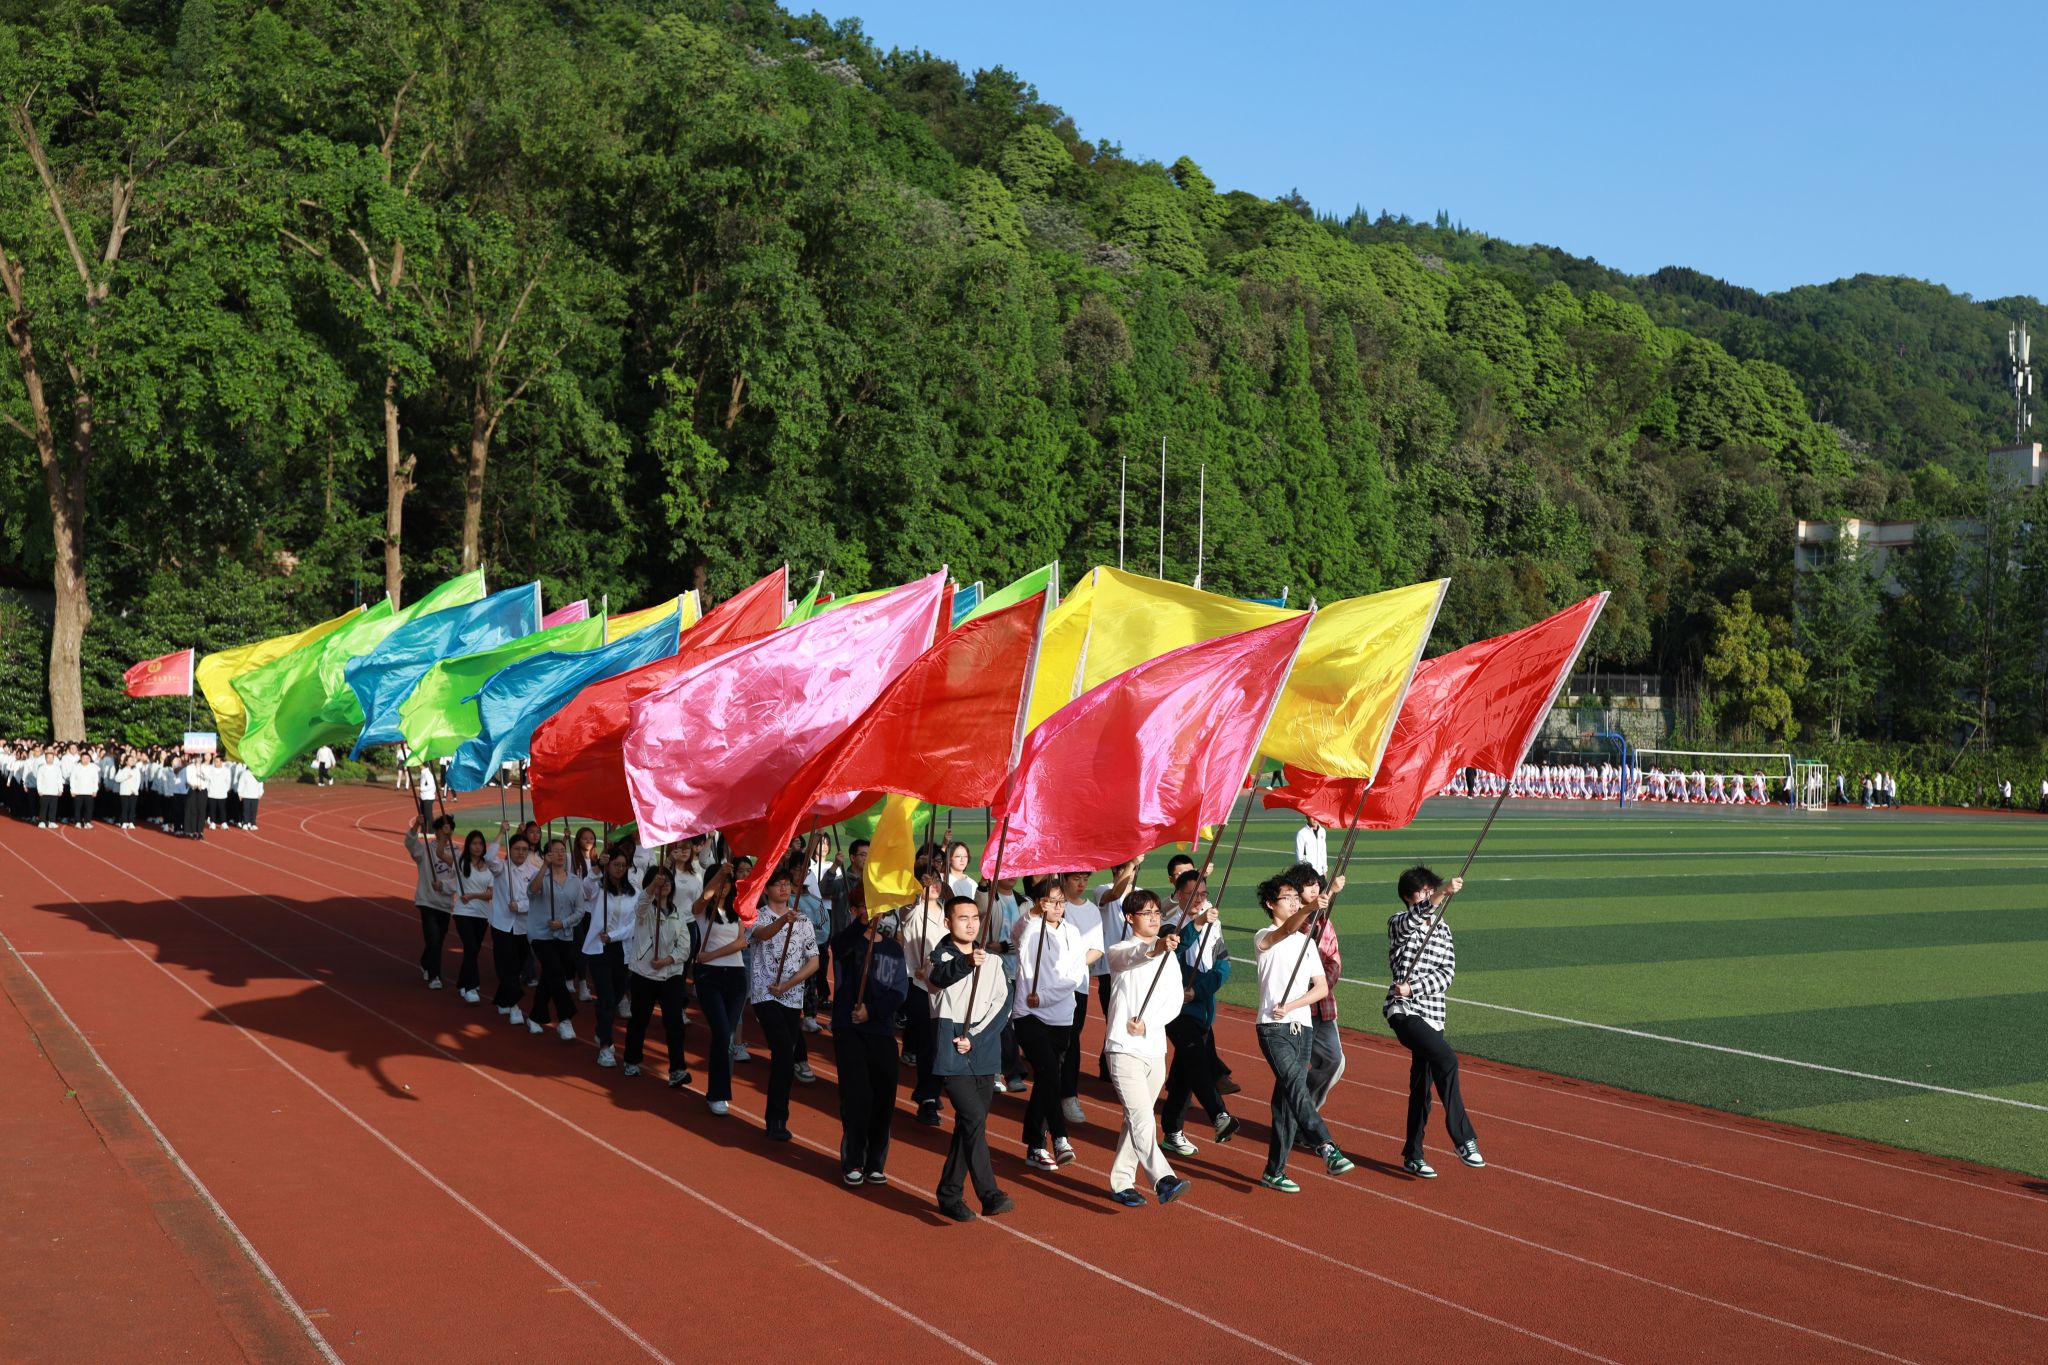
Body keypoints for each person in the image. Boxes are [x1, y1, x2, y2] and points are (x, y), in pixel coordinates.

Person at [1252, 876, 1354, 1193]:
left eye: (1298, 897)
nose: (1295, 901)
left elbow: (1321, 987)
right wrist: (1312, 905)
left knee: (1286, 1100)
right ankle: (1325, 1145)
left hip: (1302, 1028)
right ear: (1271, 904)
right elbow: (1284, 930)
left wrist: (1294, 1003)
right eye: (1288, 897)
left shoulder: (1308, 943)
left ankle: (1274, 1171)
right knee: (1296, 1085)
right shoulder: (1265, 936)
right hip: (1272, 1027)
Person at [1385, 865, 1483, 1178]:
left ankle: (1412, 1154)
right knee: (1447, 1059)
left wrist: (1414, 986)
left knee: (1422, 1090)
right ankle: (1463, 1137)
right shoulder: (1400, 923)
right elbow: (1413, 919)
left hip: (1434, 1016)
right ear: (1407, 897)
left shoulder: (1443, 929)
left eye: (1431, 890)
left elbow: (1446, 974)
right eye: (1423, 891)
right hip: (1404, 1012)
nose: (1428, 895)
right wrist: (1440, 894)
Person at [926, 895, 1014, 1221]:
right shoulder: (939, 956)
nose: (970, 923)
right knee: (974, 1119)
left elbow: (1002, 1005)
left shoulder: (993, 961)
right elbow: (939, 978)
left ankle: (949, 1194)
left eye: (975, 917)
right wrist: (967, 963)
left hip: (982, 1048)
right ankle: (989, 1193)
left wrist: (975, 1039)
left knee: (970, 1124)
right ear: (948, 922)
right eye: (962, 918)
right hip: (949, 1047)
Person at [1102, 889, 1191, 1208]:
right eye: (1146, 913)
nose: (1154, 918)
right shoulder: (1118, 950)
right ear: (1130, 918)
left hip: (1154, 1048)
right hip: (1123, 1048)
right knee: (1142, 1119)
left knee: (1135, 1119)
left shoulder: (1168, 955)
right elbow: (1131, 958)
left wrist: (1149, 1022)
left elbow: (1174, 1000)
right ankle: (1164, 1179)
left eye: (1157, 913)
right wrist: (1156, 948)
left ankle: (1122, 1182)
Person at [1011, 878, 1089, 1172]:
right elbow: (1017, 934)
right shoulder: (1032, 927)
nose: (1058, 907)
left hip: (1059, 1016)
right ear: (1040, 903)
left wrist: (1043, 997)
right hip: (1028, 1015)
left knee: (1047, 1079)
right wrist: (1033, 913)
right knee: (1047, 1072)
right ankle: (1060, 1139)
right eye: (1052, 901)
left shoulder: (1071, 932)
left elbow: (1073, 976)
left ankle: (1034, 1145)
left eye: (1061, 902)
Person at [1158, 878, 1237, 1155]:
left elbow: (1223, 965)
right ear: (1179, 895)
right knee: (1197, 1061)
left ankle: (1171, 1130)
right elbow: (1175, 948)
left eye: (1204, 894)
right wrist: (1198, 924)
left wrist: (1199, 990)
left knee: (1184, 1071)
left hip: (1202, 1007)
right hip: (1175, 1009)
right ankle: (1219, 1115)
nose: (1200, 900)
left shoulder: (1213, 924)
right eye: (1193, 894)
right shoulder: (1169, 923)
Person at [830, 902, 907, 1185]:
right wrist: (862, 923)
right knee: (856, 1096)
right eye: (864, 906)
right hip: (849, 1028)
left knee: (884, 1098)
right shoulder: (847, 942)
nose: (873, 911)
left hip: (881, 1031)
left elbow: (899, 991)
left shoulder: (893, 949)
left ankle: (875, 1162)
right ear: (854, 909)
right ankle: (853, 1160)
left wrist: (872, 1012)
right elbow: (840, 946)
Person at [748, 866, 818, 1141]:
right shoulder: (757, 916)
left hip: (791, 995)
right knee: (784, 1053)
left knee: (784, 1059)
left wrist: (789, 985)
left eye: (788, 884)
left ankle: (777, 1117)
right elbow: (761, 935)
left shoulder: (803, 921)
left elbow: (814, 961)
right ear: (766, 889)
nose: (784, 889)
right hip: (765, 994)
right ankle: (776, 1118)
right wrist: (783, 922)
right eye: (778, 884)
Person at [1282, 861, 1350, 1114]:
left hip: (1322, 1006)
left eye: (1316, 885)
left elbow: (1334, 960)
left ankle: (1304, 1110)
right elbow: (1298, 926)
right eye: (1308, 885)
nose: (1314, 889)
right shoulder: (1292, 920)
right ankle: (1299, 1116)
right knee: (1294, 1068)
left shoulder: (1326, 923)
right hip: (1296, 1009)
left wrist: (1320, 985)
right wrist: (1328, 893)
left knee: (1334, 1061)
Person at [623, 866, 692, 1085]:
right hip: (644, 974)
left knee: (674, 1023)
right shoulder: (645, 910)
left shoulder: (678, 913)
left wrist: (667, 960)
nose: (665, 885)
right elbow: (642, 903)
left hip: (670, 975)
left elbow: (685, 947)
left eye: (668, 882)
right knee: (639, 1020)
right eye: (660, 881)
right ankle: (632, 1061)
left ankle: (677, 1069)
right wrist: (654, 885)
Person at [691, 859, 750, 1116]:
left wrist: (711, 955)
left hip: (735, 978)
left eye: (727, 882)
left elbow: (740, 944)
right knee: (722, 1032)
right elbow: (703, 898)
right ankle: (717, 1093)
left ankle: (720, 1089)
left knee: (726, 1038)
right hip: (709, 979)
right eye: (719, 881)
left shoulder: (736, 910)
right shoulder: (703, 911)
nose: (724, 886)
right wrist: (720, 874)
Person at [1055, 869, 1107, 1125]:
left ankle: (1068, 1095)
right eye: (1076, 878)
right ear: (1063, 879)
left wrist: (1074, 966)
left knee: (1072, 1039)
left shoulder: (1091, 910)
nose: (1082, 883)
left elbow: (1097, 948)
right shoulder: (1054, 906)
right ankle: (1053, 1090)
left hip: (1077, 985)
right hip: (1049, 983)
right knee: (1052, 1040)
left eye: (1085, 879)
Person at [524, 837, 586, 1041]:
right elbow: (532, 891)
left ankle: (535, 1016)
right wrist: (545, 867)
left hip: (564, 934)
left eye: (562, 850)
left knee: (550, 976)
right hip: (541, 934)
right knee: (556, 972)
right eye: (554, 851)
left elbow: (580, 911)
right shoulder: (540, 875)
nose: (560, 854)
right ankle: (565, 1018)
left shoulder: (575, 881)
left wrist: (564, 923)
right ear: (546, 854)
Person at [583, 852, 638, 1068]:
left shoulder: (633, 892)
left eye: (623, 865)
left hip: (622, 948)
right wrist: (598, 866)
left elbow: (634, 923)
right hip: (599, 949)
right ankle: (606, 1046)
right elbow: (586, 887)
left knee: (617, 995)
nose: (619, 868)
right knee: (605, 998)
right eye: (616, 864)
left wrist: (614, 936)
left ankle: (600, 1029)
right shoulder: (598, 889)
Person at [486, 823, 537, 1024]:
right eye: (517, 849)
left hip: (523, 926)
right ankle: (514, 1005)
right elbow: (489, 858)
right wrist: (500, 833)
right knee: (504, 964)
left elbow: (535, 898)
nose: (521, 853)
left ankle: (502, 1000)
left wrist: (521, 906)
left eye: (524, 849)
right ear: (509, 849)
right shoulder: (501, 868)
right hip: (502, 924)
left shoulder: (533, 871)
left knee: (516, 967)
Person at [405, 812, 459, 990]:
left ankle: (425, 962)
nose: (444, 832)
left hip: (444, 903)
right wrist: (416, 826)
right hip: (427, 900)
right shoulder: (425, 849)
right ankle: (435, 976)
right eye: (441, 830)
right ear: (435, 832)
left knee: (438, 939)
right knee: (433, 937)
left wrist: (443, 886)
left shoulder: (457, 852)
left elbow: (458, 877)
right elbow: (410, 844)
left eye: (448, 829)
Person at [449, 830, 496, 1004]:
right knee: (470, 947)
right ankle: (471, 986)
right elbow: (441, 854)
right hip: (463, 913)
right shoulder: (460, 862)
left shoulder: (489, 867)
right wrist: (445, 836)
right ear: (468, 845)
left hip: (482, 915)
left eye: (480, 844)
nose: (477, 847)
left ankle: (462, 982)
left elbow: (490, 894)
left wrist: (474, 895)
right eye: (474, 843)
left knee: (473, 950)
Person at [66, 750, 98, 828]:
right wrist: (72, 790)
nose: (85, 760)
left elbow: (95, 780)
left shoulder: (93, 767)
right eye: (84, 758)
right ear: (81, 758)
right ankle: (78, 822)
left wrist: (95, 790)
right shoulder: (76, 767)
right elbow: (72, 779)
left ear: (90, 759)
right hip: (78, 791)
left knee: (89, 808)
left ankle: (87, 821)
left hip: (89, 791)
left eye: (87, 758)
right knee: (78, 808)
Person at [234, 764, 264, 830]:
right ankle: (245, 823)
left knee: (253, 810)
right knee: (246, 810)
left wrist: (260, 792)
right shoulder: (245, 773)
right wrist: (240, 793)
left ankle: (253, 823)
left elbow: (260, 784)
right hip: (246, 795)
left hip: (255, 795)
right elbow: (241, 783)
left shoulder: (258, 774)